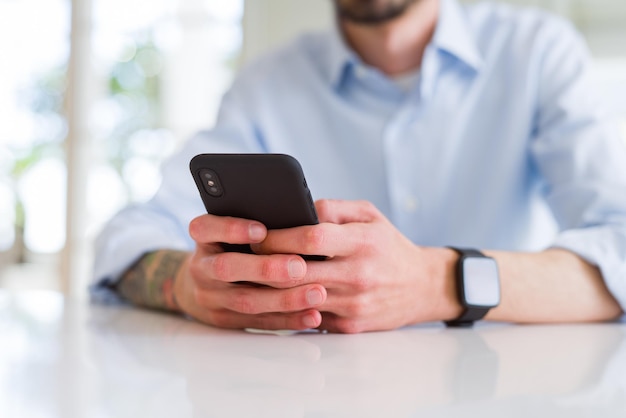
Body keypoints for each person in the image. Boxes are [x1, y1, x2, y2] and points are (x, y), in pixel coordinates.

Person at [92, 0, 626, 333]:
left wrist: (436, 281)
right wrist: (184, 286)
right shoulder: (268, 85)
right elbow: (124, 240)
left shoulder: (538, 53)